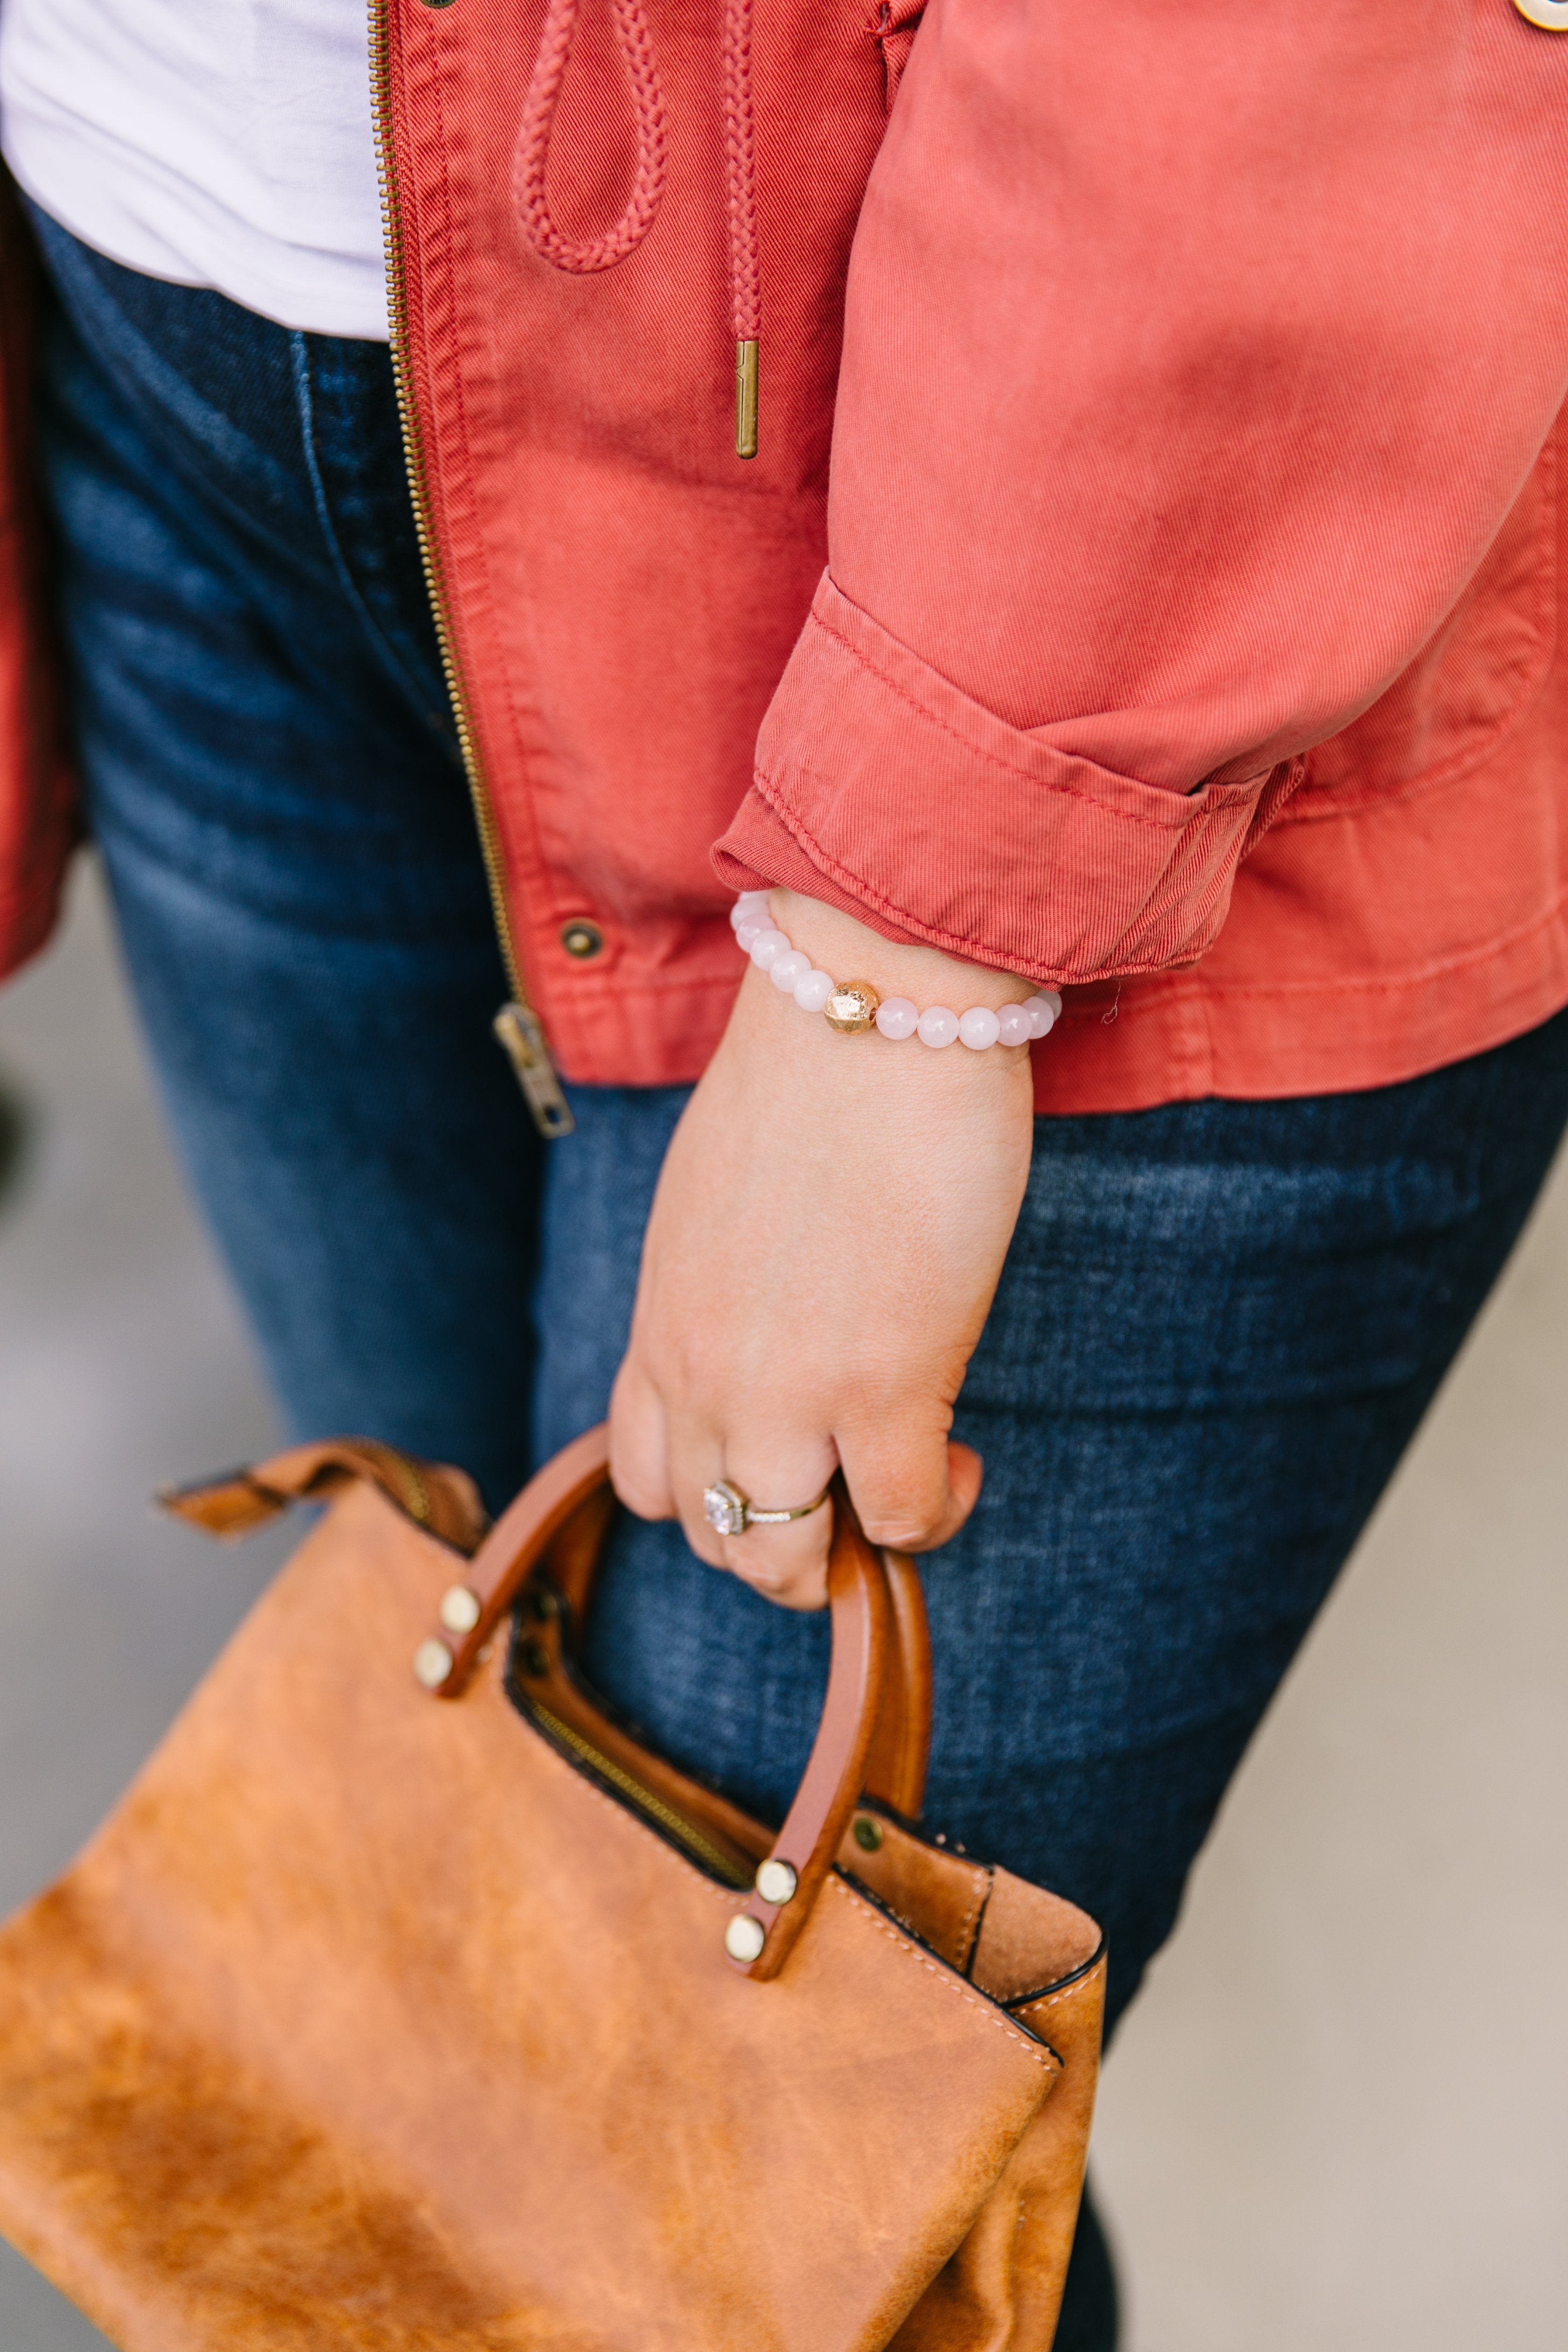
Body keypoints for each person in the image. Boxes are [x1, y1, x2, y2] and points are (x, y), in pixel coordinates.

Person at [3, 2, 1568, 2341]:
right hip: (162, 339)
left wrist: (913, 963)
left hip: (1019, 549)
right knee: (481, 1970)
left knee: (751, 2185)